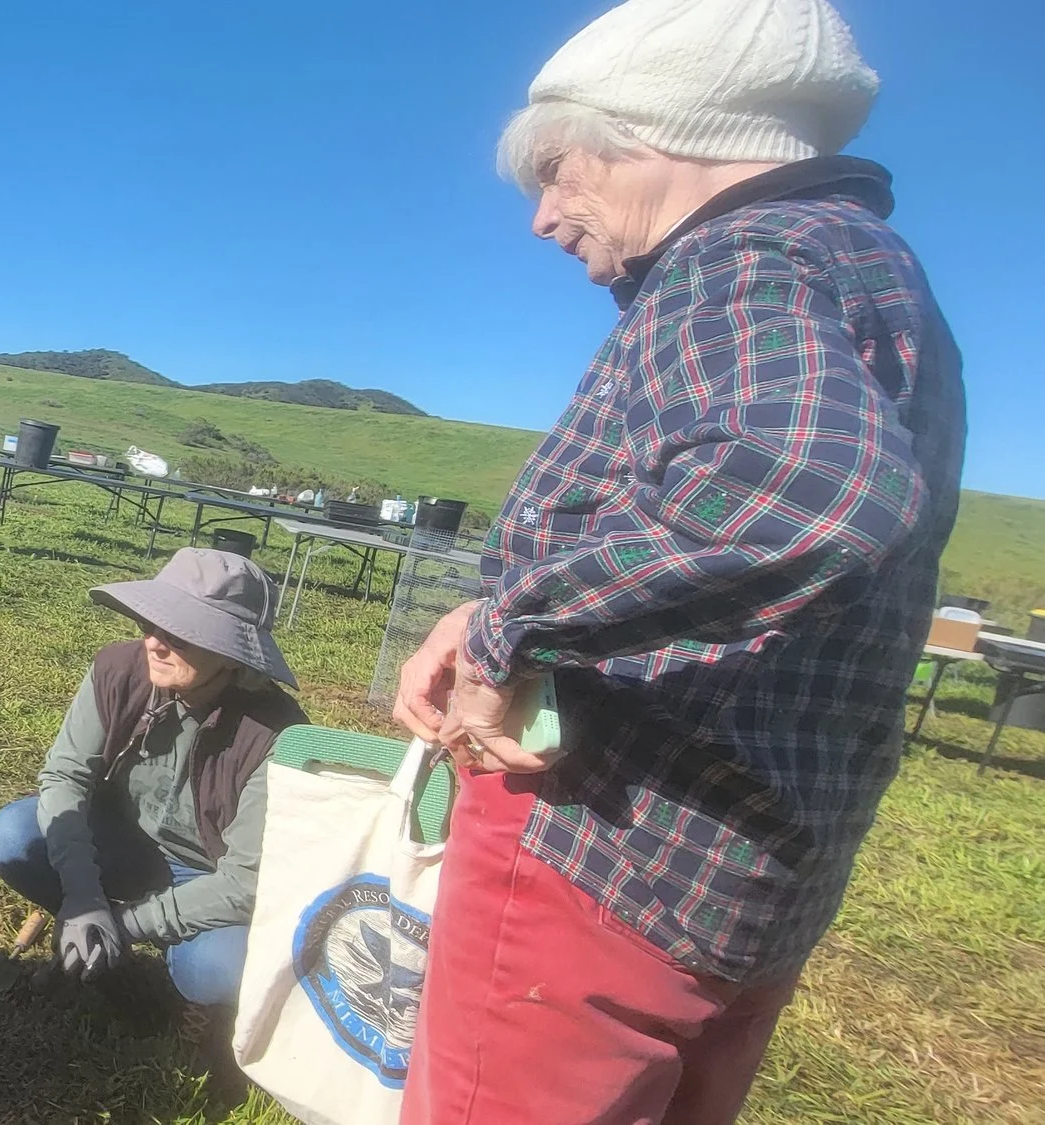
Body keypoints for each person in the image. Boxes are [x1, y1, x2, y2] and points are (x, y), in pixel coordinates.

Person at [391, 2, 963, 1121]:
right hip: (756, 865)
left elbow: (808, 499)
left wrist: (514, 630)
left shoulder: (740, 259)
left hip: (605, 843)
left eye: (557, 170)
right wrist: (494, 605)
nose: (544, 217)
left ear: (655, 132)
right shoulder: (871, 271)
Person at [0, 549, 305, 1010]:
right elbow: (65, 777)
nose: (155, 642)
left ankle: (142, 966)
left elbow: (244, 882)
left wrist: (126, 923)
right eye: (151, 623)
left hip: (205, 876)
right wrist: (80, 892)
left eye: (182, 634)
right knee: (13, 835)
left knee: (221, 969)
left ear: (232, 655)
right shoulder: (118, 670)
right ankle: (87, 933)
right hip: (121, 842)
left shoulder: (277, 736)